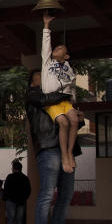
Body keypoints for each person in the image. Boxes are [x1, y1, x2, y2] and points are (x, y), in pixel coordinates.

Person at [26, 70, 78, 224]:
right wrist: (64, 94)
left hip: (65, 150)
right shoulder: (34, 94)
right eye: (41, 75)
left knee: (66, 193)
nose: (48, 77)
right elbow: (43, 100)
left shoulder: (58, 98)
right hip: (48, 146)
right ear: (33, 83)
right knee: (47, 193)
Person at [41, 12, 81, 174]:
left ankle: (70, 152)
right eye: (55, 48)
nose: (56, 49)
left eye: (60, 48)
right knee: (64, 122)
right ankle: (64, 155)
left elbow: (71, 87)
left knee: (74, 120)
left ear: (66, 55)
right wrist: (46, 26)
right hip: (51, 100)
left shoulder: (68, 68)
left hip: (65, 101)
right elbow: (46, 45)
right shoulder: (47, 63)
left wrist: (74, 103)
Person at [3, 159, 31, 224]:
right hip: (21, 202)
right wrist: (24, 198)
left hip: (11, 201)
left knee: (10, 221)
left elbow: (6, 189)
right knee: (19, 221)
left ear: (13, 168)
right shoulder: (25, 178)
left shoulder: (10, 177)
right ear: (21, 168)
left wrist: (7, 198)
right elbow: (28, 190)